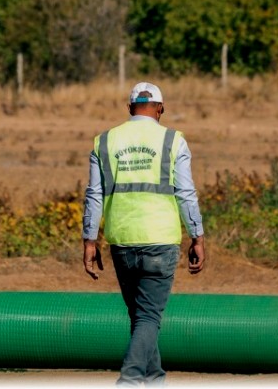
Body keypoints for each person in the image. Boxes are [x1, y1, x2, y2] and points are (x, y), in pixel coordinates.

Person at [82, 81, 206, 386]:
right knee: (149, 318)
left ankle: (154, 380)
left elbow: (94, 195)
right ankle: (131, 379)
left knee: (140, 318)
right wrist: (197, 236)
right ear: (160, 109)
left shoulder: (105, 141)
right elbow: (186, 193)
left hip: (121, 241)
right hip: (160, 240)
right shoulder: (173, 141)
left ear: (129, 108)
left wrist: (89, 240)